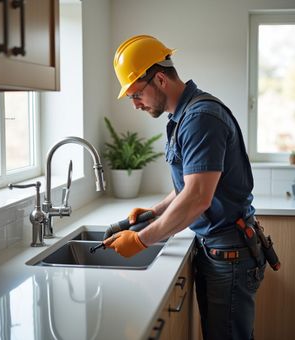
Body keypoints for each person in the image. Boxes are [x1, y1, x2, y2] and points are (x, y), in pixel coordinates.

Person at [105, 34, 266, 340]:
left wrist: (140, 240)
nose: (136, 104)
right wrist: (155, 211)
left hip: (229, 253)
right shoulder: (185, 116)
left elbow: (196, 199)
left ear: (160, 79)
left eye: (136, 94)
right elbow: (190, 185)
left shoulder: (200, 119)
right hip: (220, 249)